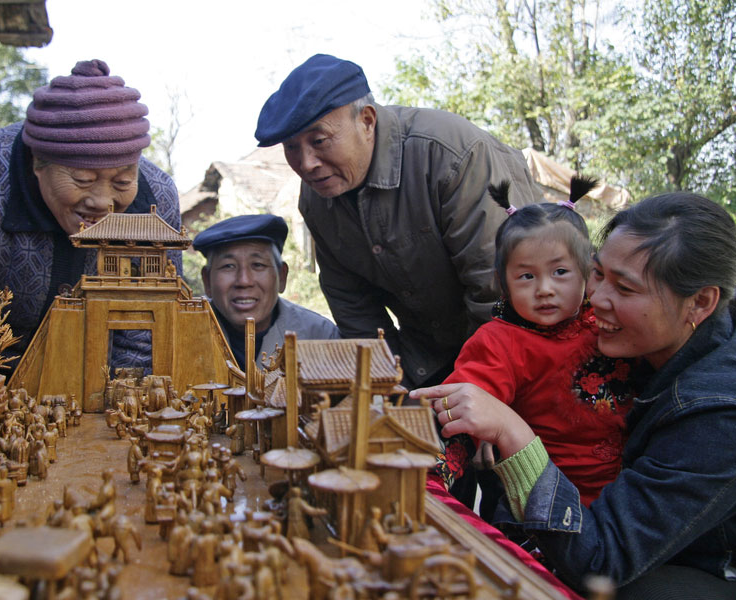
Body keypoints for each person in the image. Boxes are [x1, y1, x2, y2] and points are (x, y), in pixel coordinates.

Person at [414, 192, 736, 598]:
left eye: (625, 288)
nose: (597, 300)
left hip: (681, 566)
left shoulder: (718, 416)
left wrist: (514, 434)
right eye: (599, 274)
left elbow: (602, 558)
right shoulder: (617, 335)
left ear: (700, 302)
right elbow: (469, 398)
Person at [254, 53, 543, 389]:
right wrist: (389, 392)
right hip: (427, 359)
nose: (306, 164)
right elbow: (355, 310)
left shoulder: (450, 155)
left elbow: (498, 294)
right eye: (291, 148)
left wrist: (470, 391)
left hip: (521, 348)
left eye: (319, 141)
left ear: (367, 120)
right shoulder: (317, 198)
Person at [0, 59, 181, 373]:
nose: (103, 201)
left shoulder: (157, 196)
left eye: (122, 182)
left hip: (102, 382)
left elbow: (152, 326)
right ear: (38, 164)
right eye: (82, 179)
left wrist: (119, 396)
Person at [435, 178, 641, 513]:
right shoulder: (500, 343)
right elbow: (463, 401)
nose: (544, 289)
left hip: (631, 492)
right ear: (504, 284)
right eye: (526, 277)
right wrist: (440, 465)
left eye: (560, 271)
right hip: (546, 501)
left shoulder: (607, 322)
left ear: (589, 273)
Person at [193, 214, 339, 370]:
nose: (244, 281)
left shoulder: (319, 336)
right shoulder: (182, 334)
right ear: (207, 280)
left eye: (258, 265)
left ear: (282, 277)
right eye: (228, 266)